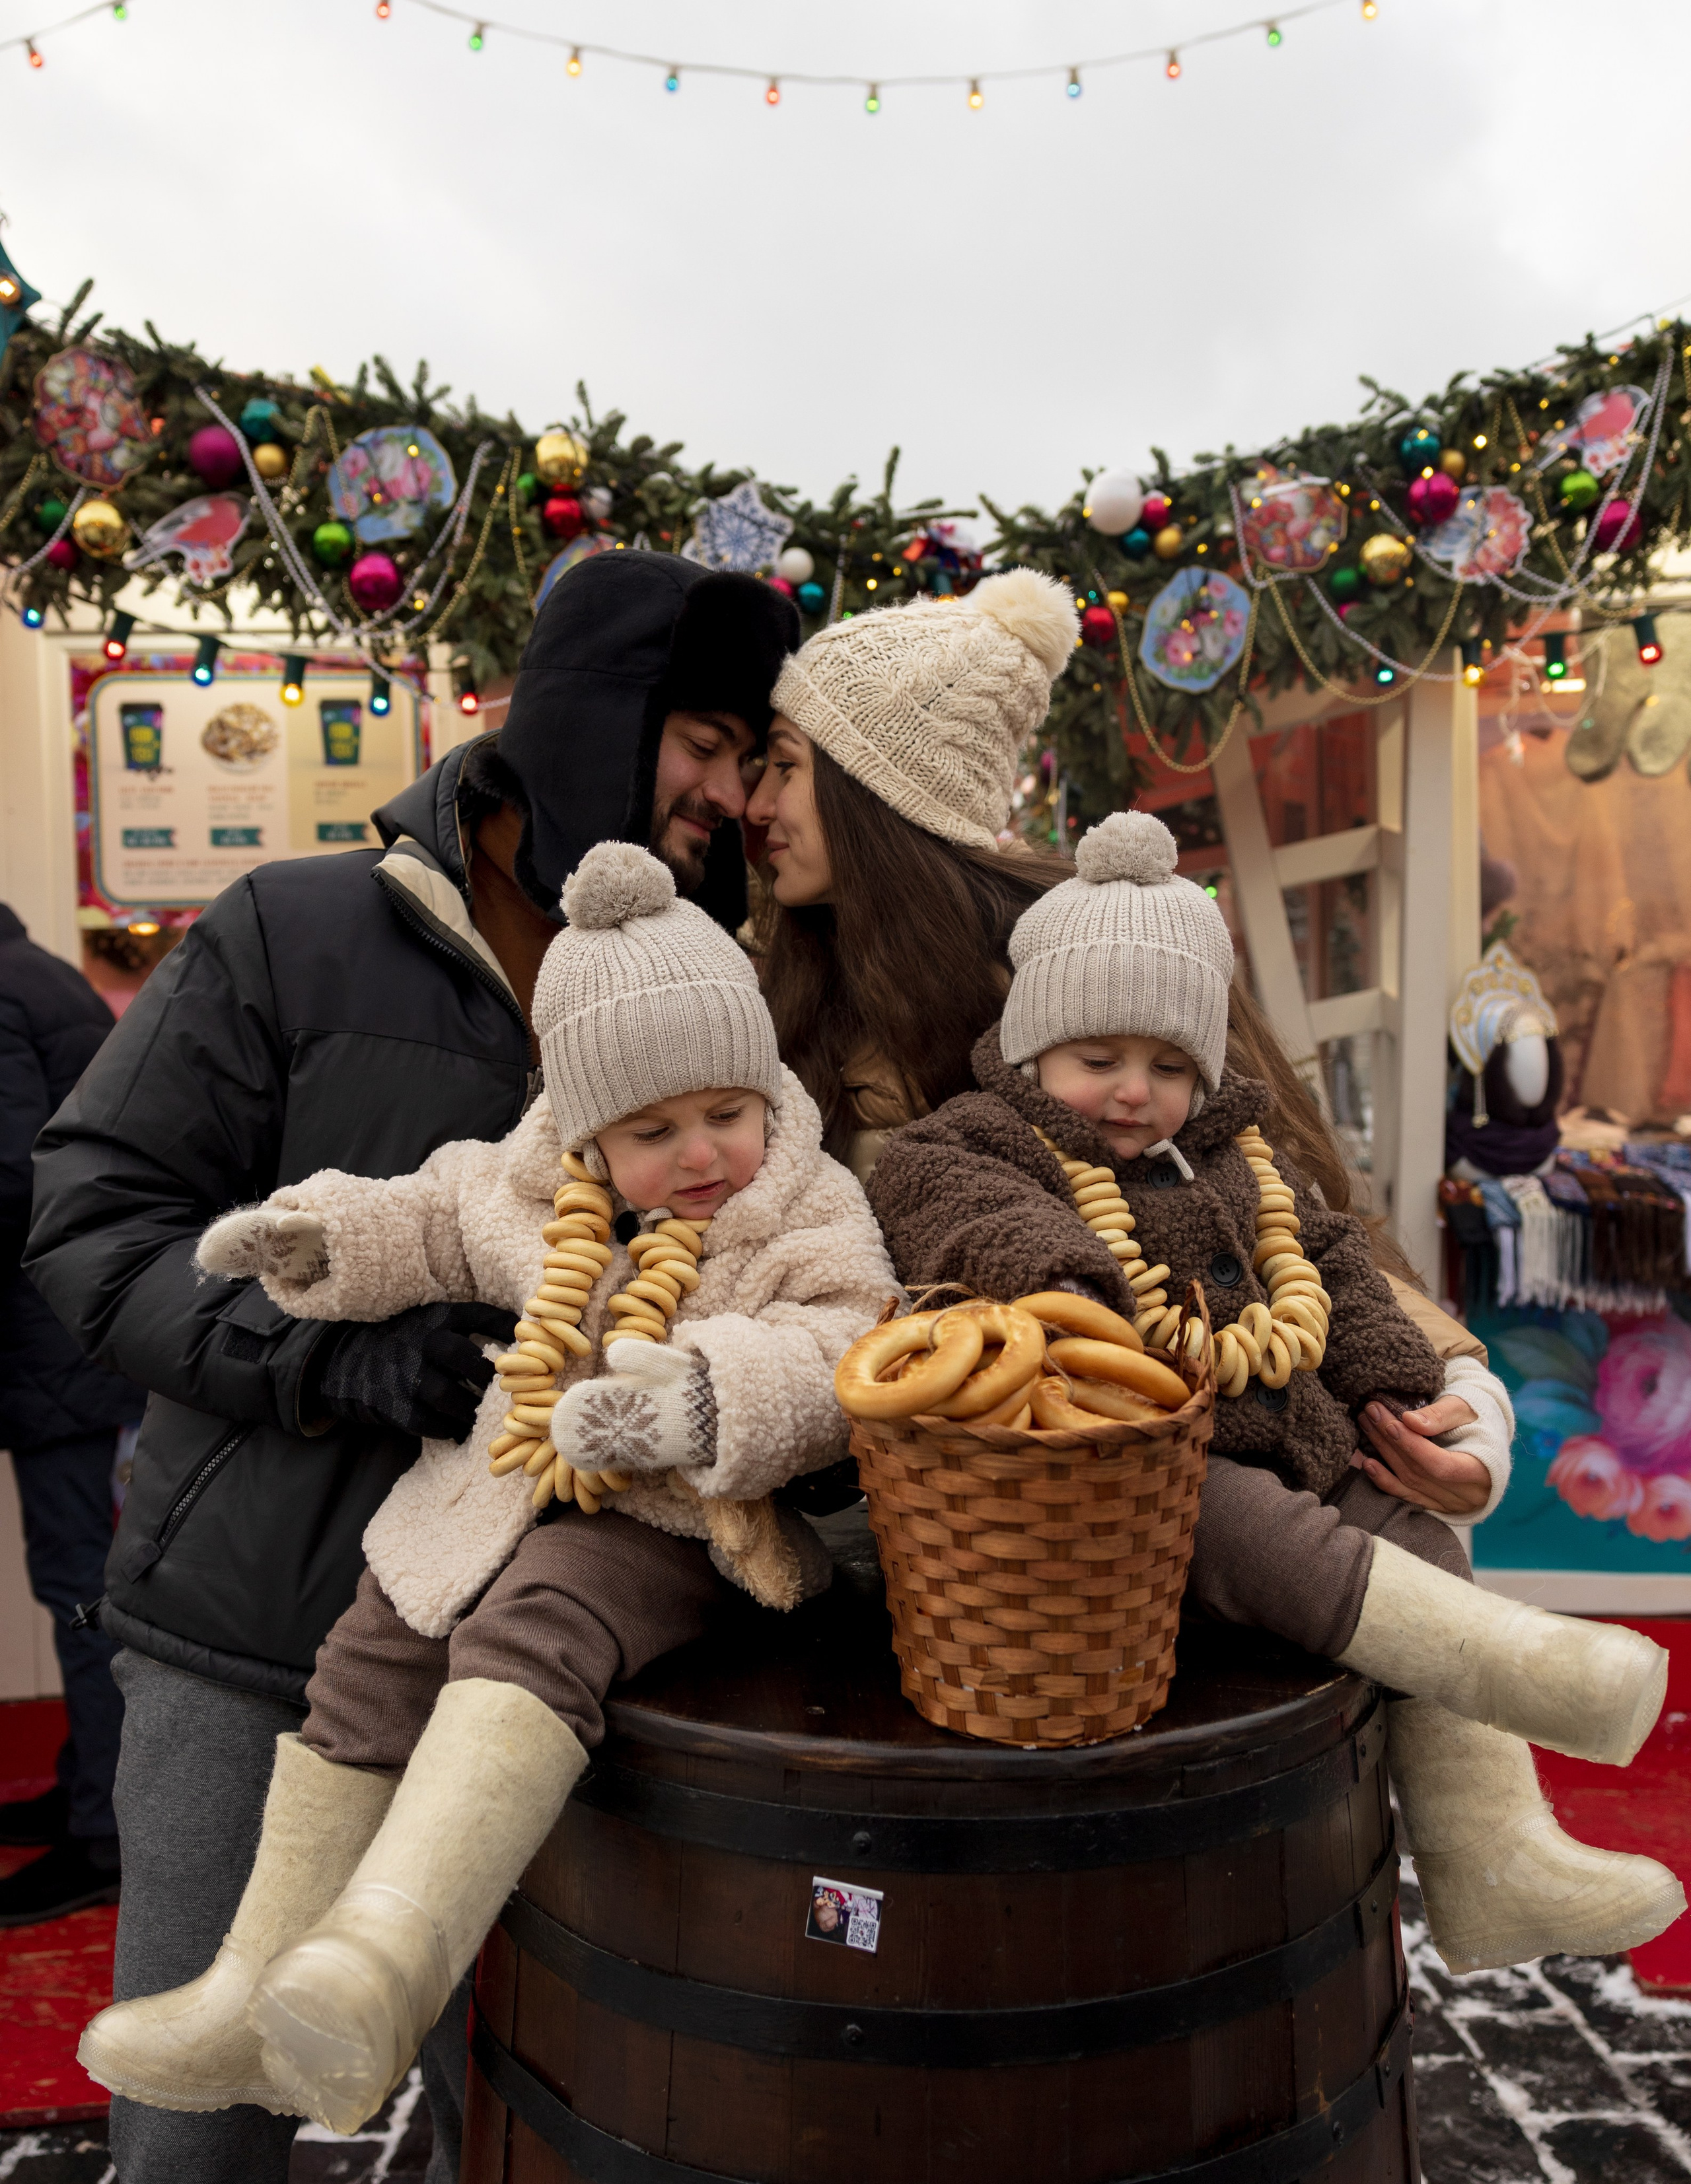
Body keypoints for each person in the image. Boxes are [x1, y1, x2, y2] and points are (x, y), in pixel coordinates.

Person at [26, 552, 799, 2184]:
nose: (729, 796)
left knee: (525, 2109)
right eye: (707, 741)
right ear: (602, 714)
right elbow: (95, 1224)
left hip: (551, 1673)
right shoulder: (293, 932)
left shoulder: (728, 986)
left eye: (750, 761)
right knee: (197, 2127)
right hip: (258, 1628)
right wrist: (323, 1359)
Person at [79, 839, 894, 2134]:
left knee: (534, 1629)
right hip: (501, 1487)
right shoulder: (525, 1176)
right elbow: (421, 1216)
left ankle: (386, 1960)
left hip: (673, 1518)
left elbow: (843, 1345)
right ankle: (252, 1986)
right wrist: (315, 1240)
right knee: (371, 1648)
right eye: (653, 1130)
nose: (701, 1154)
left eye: (724, 1112)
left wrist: (696, 1398)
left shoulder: (805, 1198)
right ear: (583, 1128)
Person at [866, 808, 1683, 1975]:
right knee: (1252, 1527)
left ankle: (1492, 1851)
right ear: (1033, 1047)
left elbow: (1341, 1270)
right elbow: (967, 1216)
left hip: (1300, 1433)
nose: (1133, 1094)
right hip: (1139, 1480)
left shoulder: (1244, 1158)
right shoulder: (977, 1141)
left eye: (1168, 1066)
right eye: (1099, 1060)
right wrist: (1079, 1287)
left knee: (1412, 1530)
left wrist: (1400, 1394)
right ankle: (1525, 1667)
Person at [0, 905, 144, 1926]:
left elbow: (12, 1179)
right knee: (79, 1584)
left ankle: (108, 1833)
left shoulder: (8, 991)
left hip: (61, 1353)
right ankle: (85, 1785)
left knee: (85, 1592)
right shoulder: (32, 974)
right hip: (66, 1343)